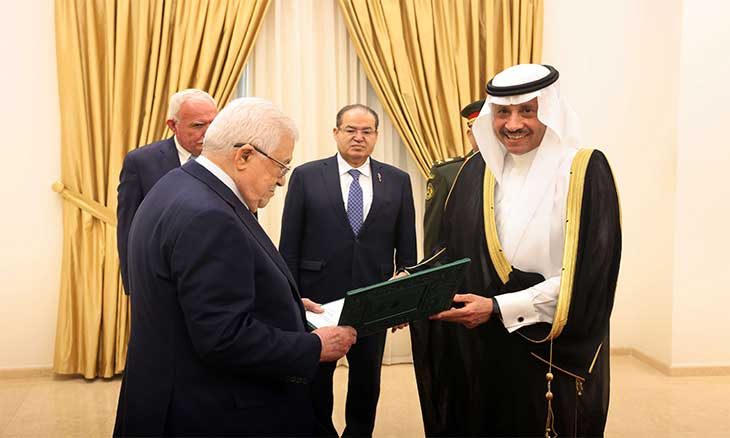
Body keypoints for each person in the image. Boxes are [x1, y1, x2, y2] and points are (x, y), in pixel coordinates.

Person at [113, 97, 358, 437]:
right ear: (244, 156)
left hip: (166, 391)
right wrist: (315, 347)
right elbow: (223, 338)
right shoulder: (209, 216)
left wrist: (279, 301)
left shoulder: (176, 185)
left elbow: (195, 297)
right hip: (208, 409)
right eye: (281, 166)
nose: (282, 181)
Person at [417, 64, 622, 437]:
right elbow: (453, 252)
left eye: (527, 110)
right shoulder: (474, 173)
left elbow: (590, 279)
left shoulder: (584, 172)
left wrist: (499, 307)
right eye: (502, 112)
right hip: (483, 345)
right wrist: (410, 290)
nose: (513, 124)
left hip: (550, 345)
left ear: (550, 110)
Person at [279, 104, 417, 437]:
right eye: (351, 130)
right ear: (336, 133)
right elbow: (289, 243)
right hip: (318, 298)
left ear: (376, 136)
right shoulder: (307, 175)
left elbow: (407, 247)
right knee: (315, 379)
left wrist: (405, 299)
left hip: (374, 298)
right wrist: (291, 297)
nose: (358, 137)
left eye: (367, 131)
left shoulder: (397, 180)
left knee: (367, 380)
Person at [116, 88, 217, 294]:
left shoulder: (228, 159)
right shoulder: (141, 162)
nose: (208, 132)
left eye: (213, 124)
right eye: (198, 125)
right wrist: (134, 287)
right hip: (160, 281)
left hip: (214, 276)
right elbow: (128, 229)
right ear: (172, 125)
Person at [422, 98, 484, 256]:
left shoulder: (513, 170)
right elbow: (434, 239)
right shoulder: (448, 173)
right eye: (482, 130)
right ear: (470, 135)